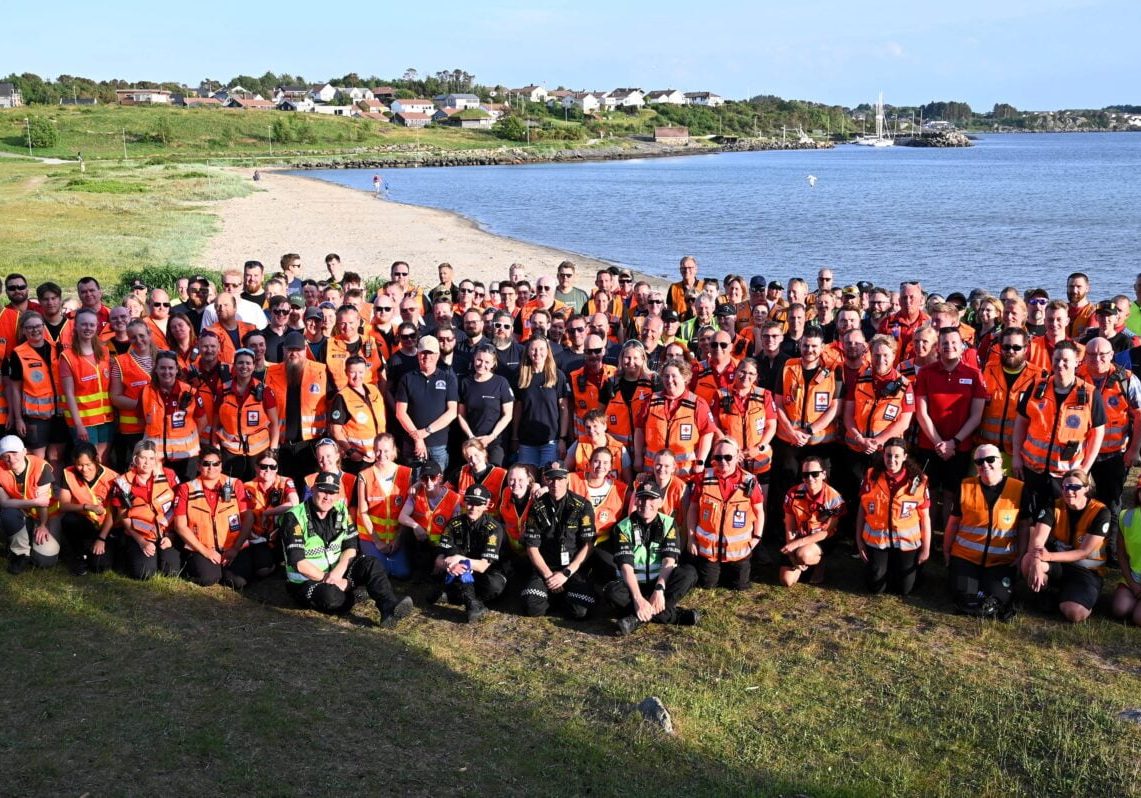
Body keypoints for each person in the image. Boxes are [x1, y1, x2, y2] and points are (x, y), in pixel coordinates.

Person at [282, 470, 414, 626]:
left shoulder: (341, 509)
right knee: (331, 597)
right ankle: (351, 595)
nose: (327, 497)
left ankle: (389, 608)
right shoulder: (294, 516)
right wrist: (329, 579)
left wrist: (338, 572)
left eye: (332, 492)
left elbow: (351, 546)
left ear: (338, 494)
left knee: (371, 562)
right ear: (313, 489)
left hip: (336, 573)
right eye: (323, 490)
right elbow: (298, 563)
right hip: (306, 581)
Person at [1013, 341, 1105, 512]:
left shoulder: (1091, 394)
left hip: (1066, 475)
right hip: (1032, 469)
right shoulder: (1036, 387)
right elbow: (1021, 422)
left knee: (1059, 520)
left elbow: (1097, 434)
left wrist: (1084, 469)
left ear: (1077, 362)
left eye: (1065, 360)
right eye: (1056, 360)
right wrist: (1016, 457)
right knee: (1031, 516)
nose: (1060, 364)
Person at [944, 444, 1030, 619]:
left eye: (990, 460)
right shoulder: (965, 486)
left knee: (996, 599)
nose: (985, 465)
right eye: (979, 461)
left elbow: (1023, 526)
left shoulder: (1018, 489)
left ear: (1000, 461)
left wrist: (1021, 556)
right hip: (966, 558)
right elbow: (953, 524)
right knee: (966, 598)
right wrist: (946, 551)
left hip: (1000, 561)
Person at [606, 481, 700, 635]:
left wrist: (659, 589)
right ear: (636, 500)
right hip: (633, 586)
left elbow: (669, 559)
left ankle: (635, 619)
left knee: (689, 573)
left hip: (660, 583)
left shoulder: (669, 523)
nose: (645, 503)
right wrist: (638, 599)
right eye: (642, 498)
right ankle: (675, 615)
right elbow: (626, 567)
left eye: (651, 499)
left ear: (660, 501)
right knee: (611, 592)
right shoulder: (622, 527)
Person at [1021, 468, 1109, 623]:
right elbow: (1038, 538)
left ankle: (1070, 597)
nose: (1069, 492)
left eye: (1075, 487)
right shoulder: (1053, 506)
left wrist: (1048, 556)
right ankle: (1046, 592)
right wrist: (1036, 560)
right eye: (1065, 487)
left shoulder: (1101, 512)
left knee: (1075, 614)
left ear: (1087, 488)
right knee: (1028, 561)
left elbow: (1083, 552)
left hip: (1086, 571)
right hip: (1058, 566)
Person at [855, 438, 931, 596]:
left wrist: (926, 549)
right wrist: (859, 541)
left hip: (906, 544)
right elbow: (862, 509)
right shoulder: (871, 476)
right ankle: (881, 567)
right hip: (878, 541)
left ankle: (911, 569)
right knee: (875, 587)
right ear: (883, 455)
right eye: (888, 455)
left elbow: (925, 517)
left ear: (905, 457)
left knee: (904, 590)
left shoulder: (919, 481)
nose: (892, 460)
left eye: (897, 456)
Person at [171, 445, 255, 589]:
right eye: (206, 464)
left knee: (239, 582)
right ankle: (204, 567)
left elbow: (249, 518)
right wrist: (206, 552)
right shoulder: (186, 489)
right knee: (208, 578)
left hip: (232, 547)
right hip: (202, 547)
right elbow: (180, 525)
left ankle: (224, 570)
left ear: (221, 465)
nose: (211, 467)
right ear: (198, 466)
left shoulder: (235, 484)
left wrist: (235, 548)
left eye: (216, 463)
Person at [521, 463, 597, 619]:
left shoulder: (583, 505)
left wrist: (566, 573)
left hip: (572, 568)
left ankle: (560, 594)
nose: (555, 484)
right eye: (551, 479)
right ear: (545, 480)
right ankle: (555, 593)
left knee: (579, 612)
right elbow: (531, 547)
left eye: (560, 478)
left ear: (567, 479)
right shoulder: (537, 507)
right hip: (546, 567)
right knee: (531, 607)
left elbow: (588, 545)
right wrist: (549, 576)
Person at [687, 438, 765, 590]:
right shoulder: (703, 478)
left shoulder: (749, 481)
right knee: (707, 584)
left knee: (739, 586)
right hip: (710, 551)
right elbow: (693, 509)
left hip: (738, 552)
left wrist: (756, 538)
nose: (723, 461)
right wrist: (691, 538)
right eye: (718, 457)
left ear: (737, 457)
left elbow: (759, 511)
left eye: (728, 457)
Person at [433, 484, 507, 623]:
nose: (473, 508)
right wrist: (449, 566)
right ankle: (472, 603)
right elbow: (438, 560)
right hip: (457, 571)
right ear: (465, 502)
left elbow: (482, 566)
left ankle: (455, 596)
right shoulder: (453, 524)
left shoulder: (494, 528)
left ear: (486, 505)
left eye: (478, 504)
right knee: (456, 571)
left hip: (486, 572)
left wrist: (459, 559)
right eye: (470, 502)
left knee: (494, 586)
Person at [5, 311, 66, 471]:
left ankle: (57, 490)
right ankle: (39, 490)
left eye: (38, 326)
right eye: (29, 327)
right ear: (23, 330)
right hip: (35, 417)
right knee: (37, 458)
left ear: (43, 327)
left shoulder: (56, 348)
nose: (34, 330)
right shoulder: (18, 353)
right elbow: (15, 390)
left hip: (59, 414)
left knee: (56, 457)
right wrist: (18, 419)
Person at [110, 440, 181, 580]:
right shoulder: (123, 482)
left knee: (172, 572)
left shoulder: (169, 475)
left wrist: (171, 537)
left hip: (166, 533)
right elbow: (123, 517)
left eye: (151, 458)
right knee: (144, 574)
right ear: (135, 459)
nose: (147, 462)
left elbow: (179, 507)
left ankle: (163, 553)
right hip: (138, 535)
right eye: (143, 458)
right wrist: (142, 542)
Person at [634, 358, 716, 477]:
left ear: (685, 378)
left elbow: (707, 433)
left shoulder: (698, 403)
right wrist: (637, 457)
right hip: (654, 471)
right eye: (666, 376)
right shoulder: (651, 400)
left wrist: (700, 461)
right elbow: (639, 429)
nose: (669, 380)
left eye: (674, 376)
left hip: (684, 473)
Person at [393, 335, 458, 473]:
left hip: (438, 444)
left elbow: (452, 412)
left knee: (437, 487)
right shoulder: (407, 378)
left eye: (431, 353)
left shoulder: (448, 378)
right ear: (417, 354)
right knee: (413, 486)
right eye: (423, 353)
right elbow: (400, 412)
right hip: (412, 444)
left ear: (438, 355)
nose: (426, 357)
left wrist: (425, 432)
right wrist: (417, 438)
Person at [712, 357, 777, 490]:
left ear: (756, 376)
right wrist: (730, 448)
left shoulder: (765, 395)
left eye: (751, 373)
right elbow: (714, 425)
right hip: (731, 459)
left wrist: (759, 448)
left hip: (759, 458)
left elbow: (771, 426)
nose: (746, 376)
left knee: (760, 502)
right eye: (742, 371)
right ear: (735, 372)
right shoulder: (720, 395)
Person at [780, 455, 845, 587]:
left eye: (814, 474)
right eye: (805, 474)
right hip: (799, 537)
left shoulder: (834, 498)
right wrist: (791, 551)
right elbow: (790, 526)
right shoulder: (793, 493)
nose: (810, 478)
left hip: (822, 539)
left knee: (804, 554)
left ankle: (819, 562)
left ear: (823, 474)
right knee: (786, 581)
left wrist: (797, 545)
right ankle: (801, 562)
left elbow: (826, 532)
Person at [357, 433, 416, 580]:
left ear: (394, 450)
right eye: (378, 450)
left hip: (396, 537)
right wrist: (377, 541)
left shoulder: (406, 473)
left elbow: (408, 510)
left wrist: (398, 540)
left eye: (386, 450)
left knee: (402, 573)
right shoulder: (364, 475)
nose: (382, 454)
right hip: (372, 537)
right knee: (379, 573)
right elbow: (363, 512)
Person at [58, 308, 114, 462]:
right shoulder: (67, 357)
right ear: (76, 326)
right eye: (84, 324)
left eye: (91, 324)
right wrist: (78, 425)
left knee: (103, 459)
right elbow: (68, 393)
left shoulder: (104, 352)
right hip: (84, 421)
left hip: (106, 418)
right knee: (89, 461)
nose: (88, 328)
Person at [214, 348, 278, 482]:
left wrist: (272, 451)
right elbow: (216, 424)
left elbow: (274, 424)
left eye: (248, 363)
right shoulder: (223, 390)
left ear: (254, 366)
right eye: (240, 363)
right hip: (229, 454)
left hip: (259, 453)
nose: (244, 366)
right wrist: (216, 449)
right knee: (231, 491)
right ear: (234, 365)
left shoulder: (265, 391)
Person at [56, 442, 118, 575]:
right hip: (84, 522)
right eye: (79, 465)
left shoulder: (112, 477)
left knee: (99, 567)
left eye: (88, 464)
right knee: (69, 520)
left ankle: (102, 547)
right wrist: (86, 507)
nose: (84, 469)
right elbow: (63, 505)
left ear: (97, 460)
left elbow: (114, 512)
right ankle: (79, 555)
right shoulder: (68, 473)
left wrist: (101, 538)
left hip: (107, 526)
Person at [0, 434, 58, 574]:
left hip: (44, 517)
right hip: (20, 513)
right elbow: (4, 502)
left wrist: (43, 525)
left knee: (45, 560)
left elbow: (43, 503)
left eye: (14, 453)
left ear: (24, 451)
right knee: (8, 514)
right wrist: (33, 501)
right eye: (5, 455)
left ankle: (26, 542)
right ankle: (21, 553)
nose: (11, 459)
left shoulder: (40, 466)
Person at [512, 337, 569, 468]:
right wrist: (514, 437)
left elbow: (564, 410)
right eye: (533, 349)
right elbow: (518, 410)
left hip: (550, 441)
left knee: (547, 483)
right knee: (528, 483)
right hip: (527, 442)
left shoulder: (557, 376)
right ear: (527, 351)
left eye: (541, 349)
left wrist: (562, 439)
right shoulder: (521, 377)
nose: (537, 353)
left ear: (548, 352)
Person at [243, 450, 298, 579]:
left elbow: (294, 503)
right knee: (262, 571)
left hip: (281, 536)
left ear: (277, 468)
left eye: (272, 467)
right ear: (256, 467)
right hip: (259, 539)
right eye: (263, 466)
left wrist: (268, 513)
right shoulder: (247, 487)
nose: (268, 470)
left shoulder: (285, 481)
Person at [457, 346, 514, 466]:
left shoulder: (501, 383)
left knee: (494, 477)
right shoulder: (465, 383)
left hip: (495, 443)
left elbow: (508, 415)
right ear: (474, 359)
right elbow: (461, 414)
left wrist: (491, 437)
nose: (482, 364)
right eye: (479, 360)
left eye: (487, 362)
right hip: (472, 444)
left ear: (493, 363)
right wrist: (471, 437)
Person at [329, 355, 386, 475]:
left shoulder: (374, 390)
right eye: (352, 372)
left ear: (365, 371)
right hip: (359, 460)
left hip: (379, 455)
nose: (357, 376)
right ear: (346, 372)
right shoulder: (342, 397)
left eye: (360, 372)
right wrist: (350, 452)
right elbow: (335, 430)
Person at [1112, 486, 1141, 626]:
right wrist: (1133, 585)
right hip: (1134, 578)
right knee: (1120, 610)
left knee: (1138, 618)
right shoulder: (1126, 516)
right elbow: (1121, 555)